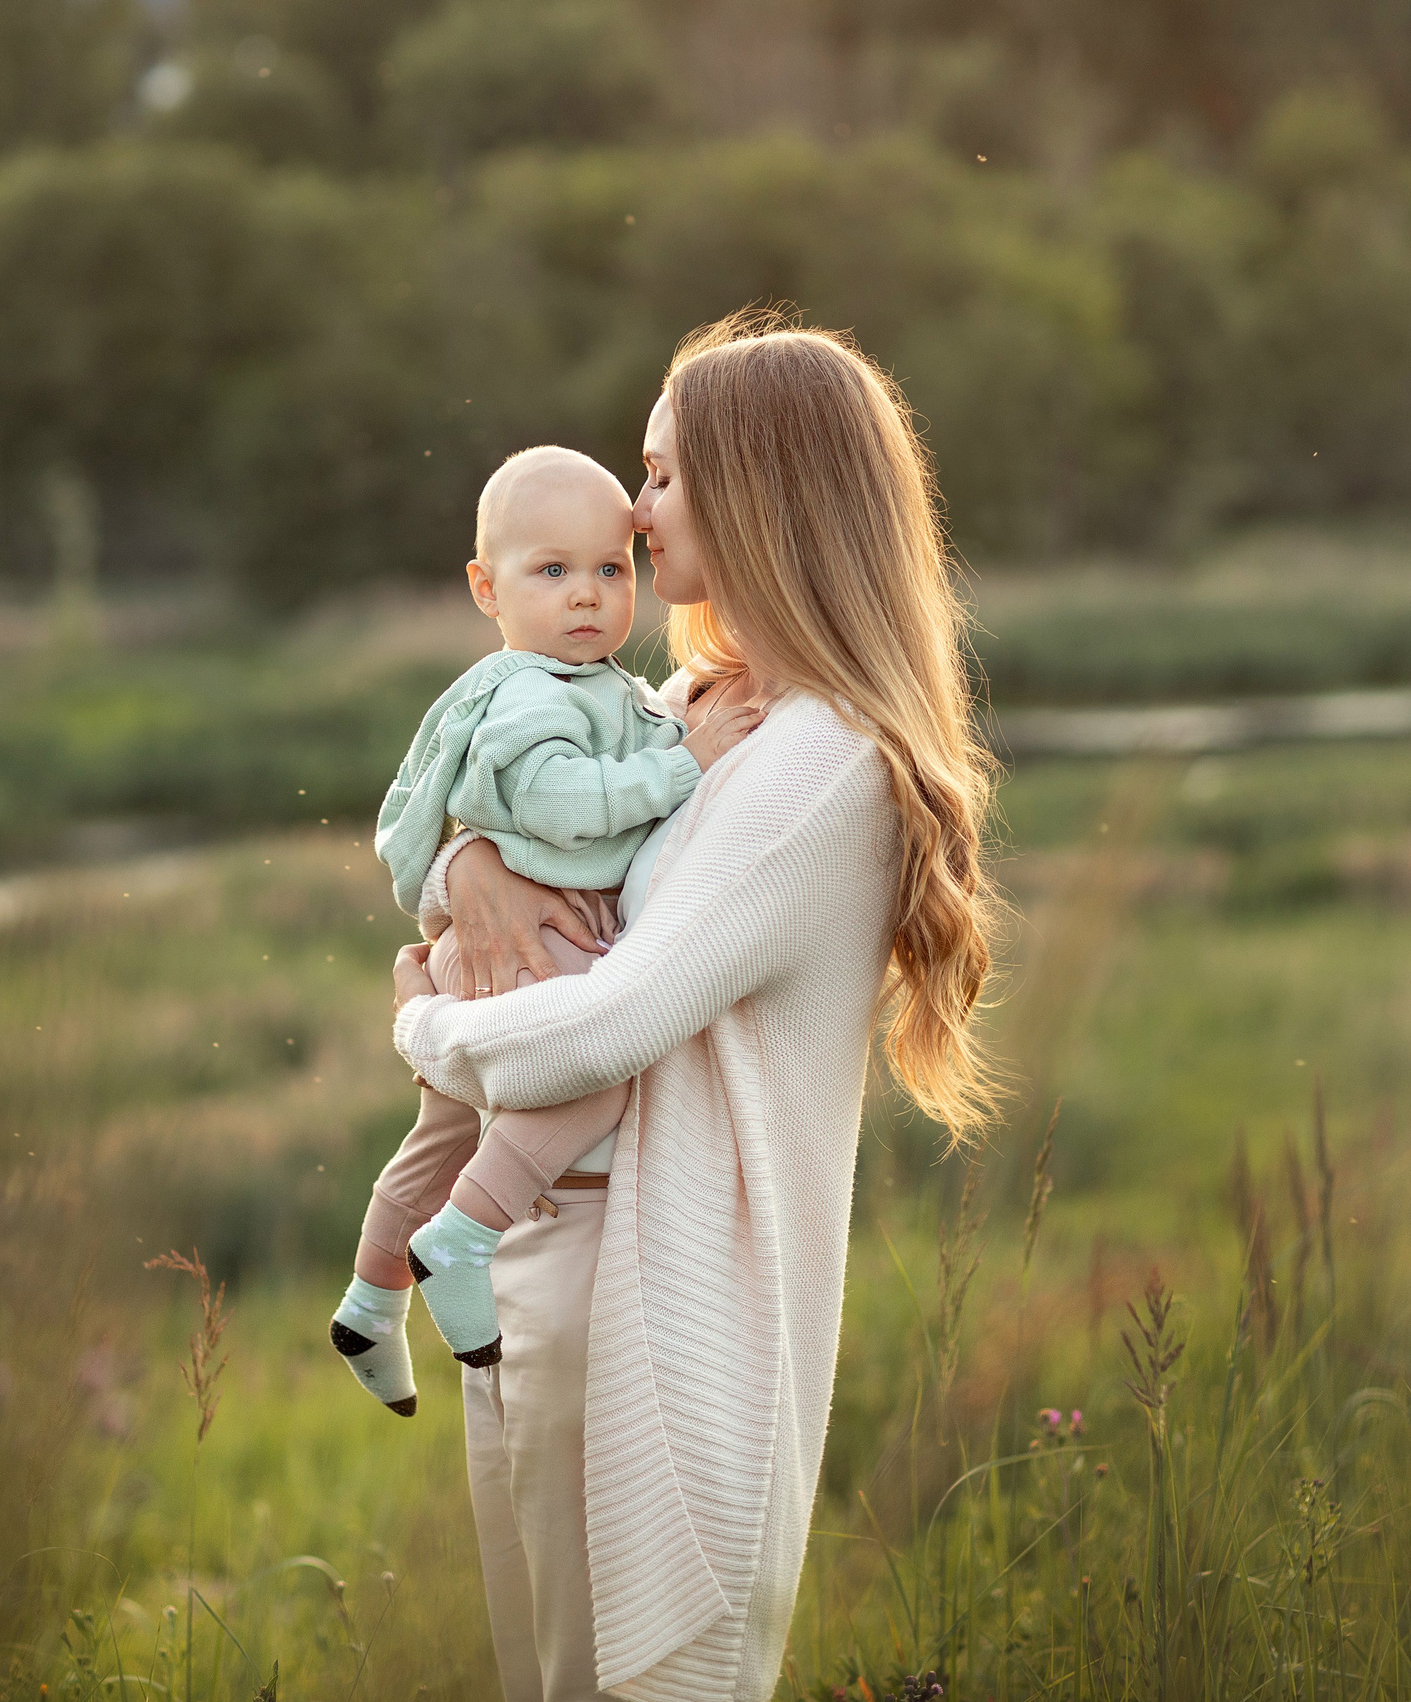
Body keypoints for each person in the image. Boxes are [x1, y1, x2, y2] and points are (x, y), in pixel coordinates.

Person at [389, 313, 1003, 1702]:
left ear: (761, 488)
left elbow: (617, 1018)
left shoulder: (819, 764)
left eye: (662, 474)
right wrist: (466, 864)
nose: (632, 504)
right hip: (553, 1266)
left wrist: (422, 1027)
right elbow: (516, 815)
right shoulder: (696, 707)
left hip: (660, 1307)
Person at [328, 445, 766, 1415]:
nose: (587, 596)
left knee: (441, 1132)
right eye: (553, 571)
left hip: (495, 945)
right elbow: (560, 804)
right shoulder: (531, 692)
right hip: (532, 948)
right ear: (487, 587)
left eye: (611, 569)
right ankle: (465, 1237)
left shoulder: (586, 682)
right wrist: (683, 764)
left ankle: (368, 1300)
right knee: (599, 1070)